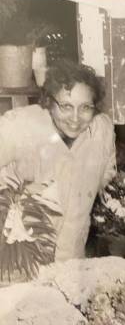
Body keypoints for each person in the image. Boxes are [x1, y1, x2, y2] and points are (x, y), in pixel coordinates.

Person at [0, 59, 116, 261]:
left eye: (86, 107)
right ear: (48, 102)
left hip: (71, 260)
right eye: (66, 106)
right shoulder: (19, 126)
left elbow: (107, 180)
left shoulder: (102, 131)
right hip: (17, 258)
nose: (75, 118)